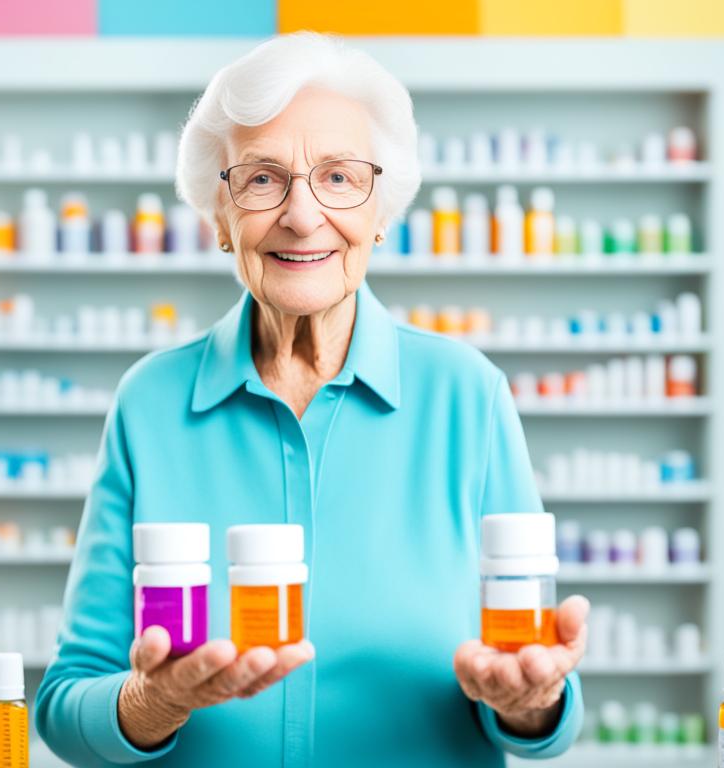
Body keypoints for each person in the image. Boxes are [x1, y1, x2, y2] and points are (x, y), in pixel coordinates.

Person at [36, 32, 589, 767]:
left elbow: (540, 693)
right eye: (263, 179)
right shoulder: (151, 404)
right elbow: (64, 704)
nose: (302, 215)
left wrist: (529, 702)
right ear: (220, 217)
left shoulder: (467, 397)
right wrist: (150, 702)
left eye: (338, 177)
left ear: (381, 212)